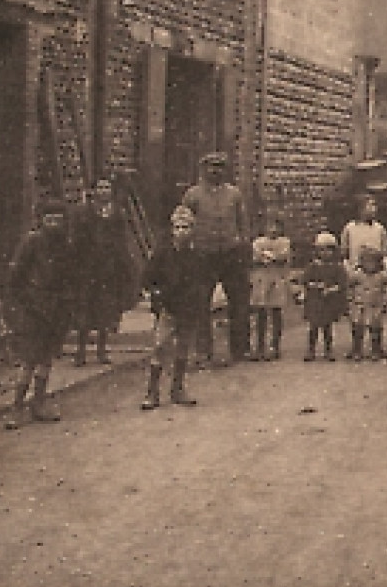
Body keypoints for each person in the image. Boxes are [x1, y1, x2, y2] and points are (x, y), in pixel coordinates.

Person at [2, 201, 79, 429]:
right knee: (28, 360)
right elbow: (15, 278)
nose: (54, 224)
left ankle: (39, 404)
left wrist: (68, 302)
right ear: (41, 220)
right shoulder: (31, 243)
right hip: (34, 309)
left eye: (58, 220)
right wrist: (26, 303)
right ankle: (16, 407)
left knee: (46, 359)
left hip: (57, 309)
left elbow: (72, 276)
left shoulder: (66, 245)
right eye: (49, 220)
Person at [181, 152, 252, 364]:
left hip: (231, 253)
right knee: (200, 302)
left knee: (238, 302)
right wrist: (187, 249)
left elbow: (243, 222)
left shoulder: (234, 194)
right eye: (211, 167)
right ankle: (203, 350)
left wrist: (243, 245)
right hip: (203, 254)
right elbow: (183, 220)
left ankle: (240, 349)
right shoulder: (193, 195)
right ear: (204, 169)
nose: (215, 171)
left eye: (220, 167)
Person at [140, 206, 211, 410]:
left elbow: (204, 280)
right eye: (178, 227)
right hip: (168, 308)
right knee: (160, 346)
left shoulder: (197, 255)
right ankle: (152, 392)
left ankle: (178, 389)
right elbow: (147, 278)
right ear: (172, 230)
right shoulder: (163, 254)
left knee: (183, 347)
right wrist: (156, 294)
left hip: (188, 308)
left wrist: (199, 298)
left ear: (193, 230)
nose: (182, 232)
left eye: (186, 227)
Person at [71, 178, 137, 367]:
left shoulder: (117, 214)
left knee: (105, 310)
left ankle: (101, 351)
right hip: (87, 268)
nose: (103, 191)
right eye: (100, 187)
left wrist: (124, 265)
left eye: (107, 187)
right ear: (93, 191)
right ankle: (81, 352)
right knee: (84, 309)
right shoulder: (83, 212)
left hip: (108, 269)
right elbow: (76, 240)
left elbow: (122, 241)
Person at [248, 214, 294, 361]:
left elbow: (283, 256)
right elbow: (255, 258)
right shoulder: (257, 242)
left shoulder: (284, 242)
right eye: (269, 226)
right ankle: (260, 346)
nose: (273, 230)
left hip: (277, 279)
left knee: (276, 312)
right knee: (261, 313)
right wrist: (265, 257)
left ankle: (275, 345)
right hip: (261, 279)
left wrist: (270, 256)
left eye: (276, 226)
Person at [302, 233, 347, 362]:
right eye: (322, 250)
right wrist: (315, 285)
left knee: (327, 327)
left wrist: (331, 289)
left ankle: (328, 350)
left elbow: (342, 284)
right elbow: (305, 281)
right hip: (315, 300)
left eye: (329, 250)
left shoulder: (337, 267)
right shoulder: (313, 266)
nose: (325, 253)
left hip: (329, 301)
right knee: (313, 326)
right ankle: (311, 350)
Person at [346, 246, 387, 362]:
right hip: (359, 306)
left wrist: (385, 302)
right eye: (367, 262)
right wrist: (350, 300)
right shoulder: (357, 275)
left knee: (375, 328)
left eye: (373, 262)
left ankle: (376, 350)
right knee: (358, 328)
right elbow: (349, 288)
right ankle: (357, 350)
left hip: (375, 306)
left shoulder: (382, 276)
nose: (370, 265)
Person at [339, 195, 387, 276]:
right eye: (370, 205)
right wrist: (348, 271)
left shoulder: (380, 229)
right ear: (361, 208)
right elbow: (344, 255)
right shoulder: (349, 228)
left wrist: (386, 270)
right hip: (355, 274)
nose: (374, 209)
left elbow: (385, 254)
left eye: (374, 205)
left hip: (376, 275)